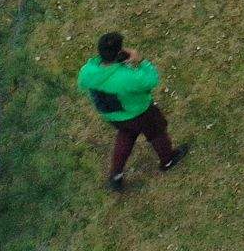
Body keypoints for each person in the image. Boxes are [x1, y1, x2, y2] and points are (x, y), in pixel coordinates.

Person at [76, 32, 188, 190]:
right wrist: (140, 61)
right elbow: (151, 80)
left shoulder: (88, 71)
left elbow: (84, 82)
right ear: (119, 52)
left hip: (114, 116)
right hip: (139, 113)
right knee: (157, 132)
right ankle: (167, 160)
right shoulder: (127, 77)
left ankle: (116, 176)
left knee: (126, 135)